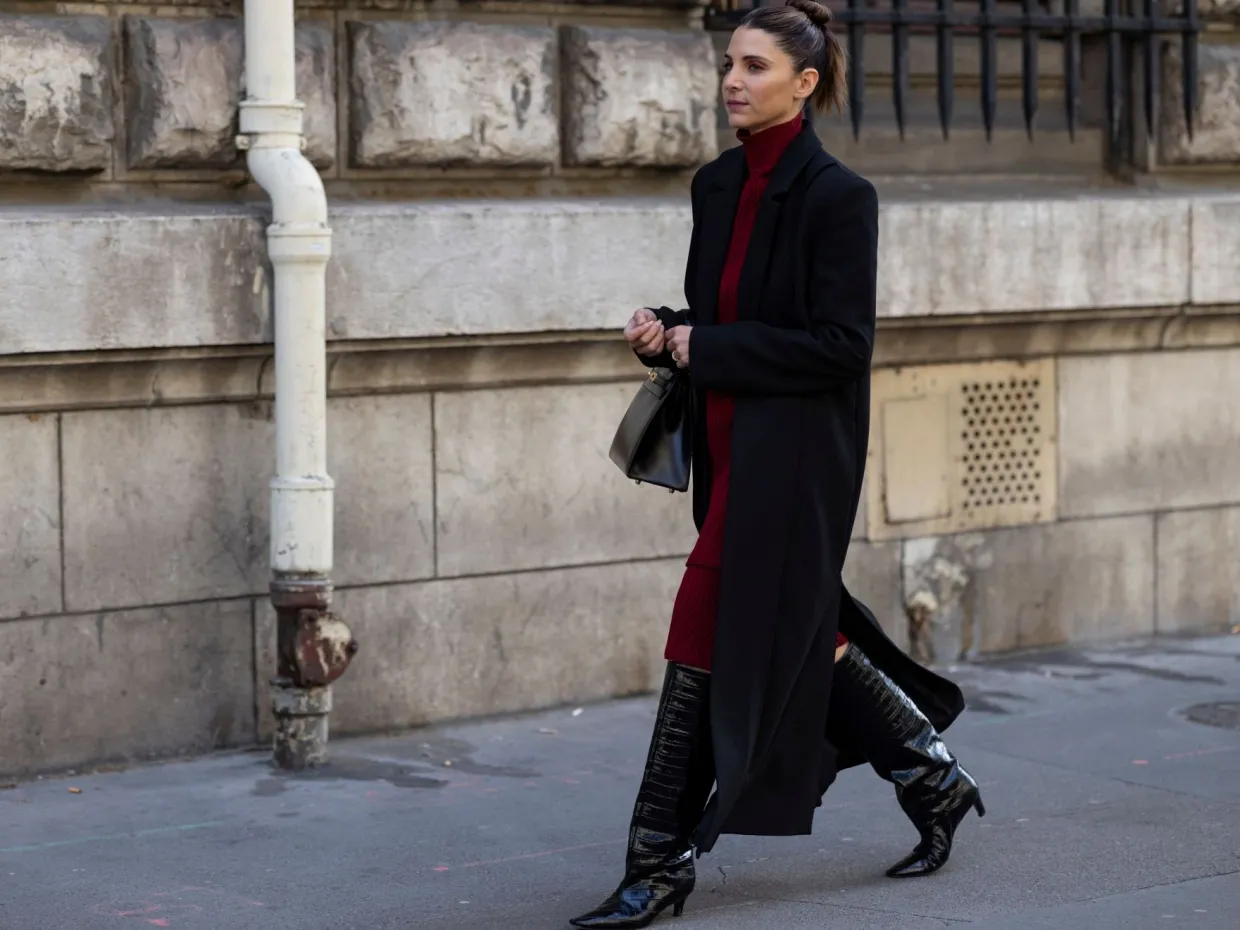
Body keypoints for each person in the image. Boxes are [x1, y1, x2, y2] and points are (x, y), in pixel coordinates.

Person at [570, 2, 985, 927]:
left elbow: (840, 345)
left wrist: (708, 347)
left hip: (796, 465)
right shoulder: (716, 184)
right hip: (728, 450)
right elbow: (725, 315)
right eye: (730, 63)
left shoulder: (840, 197)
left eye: (755, 67)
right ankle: (932, 776)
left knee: (703, 630)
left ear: (804, 83)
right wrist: (668, 330)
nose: (733, 80)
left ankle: (657, 863)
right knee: (800, 630)